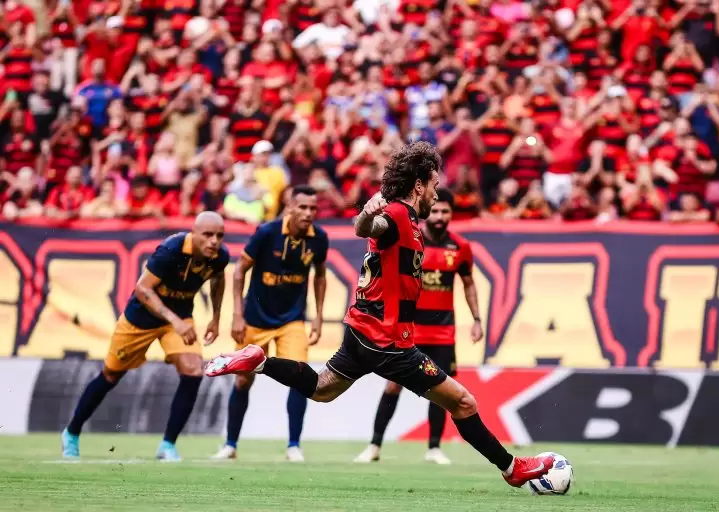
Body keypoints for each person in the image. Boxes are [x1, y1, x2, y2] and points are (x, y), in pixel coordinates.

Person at [206, 142, 554, 488]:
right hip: (387, 340)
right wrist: (369, 214)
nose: (436, 191)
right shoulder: (399, 215)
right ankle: (512, 469)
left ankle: (260, 362)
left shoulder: (410, 219)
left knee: (323, 389)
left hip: (362, 328)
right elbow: (367, 229)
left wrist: (373, 217)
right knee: (463, 402)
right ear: (418, 184)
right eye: (433, 183)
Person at [61, 212, 230, 461]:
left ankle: (168, 445)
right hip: (140, 319)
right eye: (208, 234)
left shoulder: (219, 257)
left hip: (180, 319)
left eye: (219, 235)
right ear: (193, 233)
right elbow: (142, 289)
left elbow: (218, 280)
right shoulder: (171, 250)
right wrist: (174, 320)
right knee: (111, 375)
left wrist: (215, 318)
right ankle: (72, 432)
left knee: (193, 371)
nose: (215, 241)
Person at [354, 188, 483, 465]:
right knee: (392, 387)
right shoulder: (410, 237)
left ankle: (434, 448)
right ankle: (374, 445)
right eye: (436, 211)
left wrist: (477, 319)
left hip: (443, 332)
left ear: (451, 214)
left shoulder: (460, 247)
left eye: (445, 212)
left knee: (441, 391)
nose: (439, 216)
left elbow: (469, 283)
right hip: (407, 328)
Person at [212, 186, 329, 462]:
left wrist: (319, 315)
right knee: (243, 380)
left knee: (301, 377)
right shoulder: (267, 233)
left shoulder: (319, 238)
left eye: (313, 208)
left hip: (293, 320)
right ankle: (230, 445)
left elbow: (320, 276)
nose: (309, 213)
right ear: (290, 207)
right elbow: (239, 270)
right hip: (255, 318)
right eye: (303, 207)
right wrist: (237, 315)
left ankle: (293, 446)